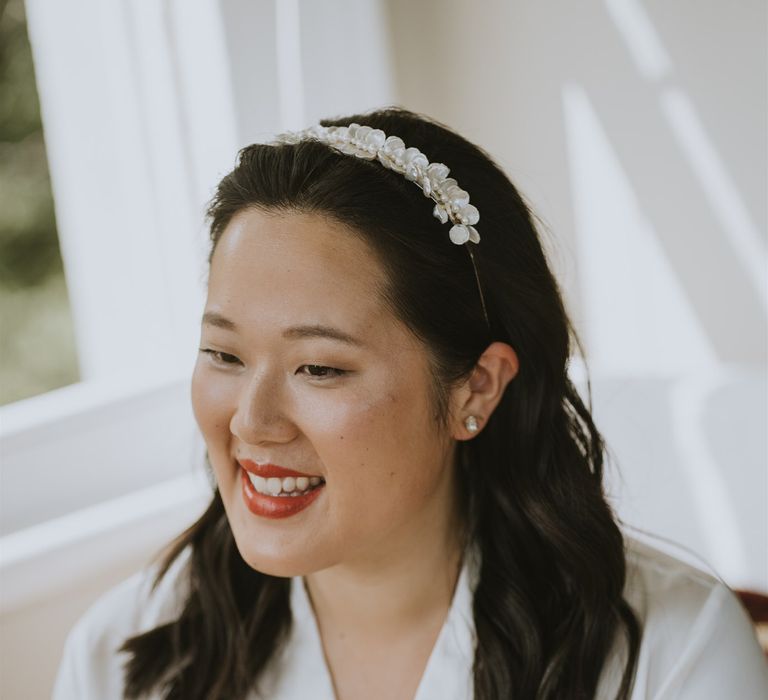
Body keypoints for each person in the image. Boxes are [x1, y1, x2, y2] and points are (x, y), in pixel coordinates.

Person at [53, 107, 768, 699]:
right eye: (224, 355)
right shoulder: (124, 654)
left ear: (476, 387)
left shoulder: (674, 654)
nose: (250, 420)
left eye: (320, 368)